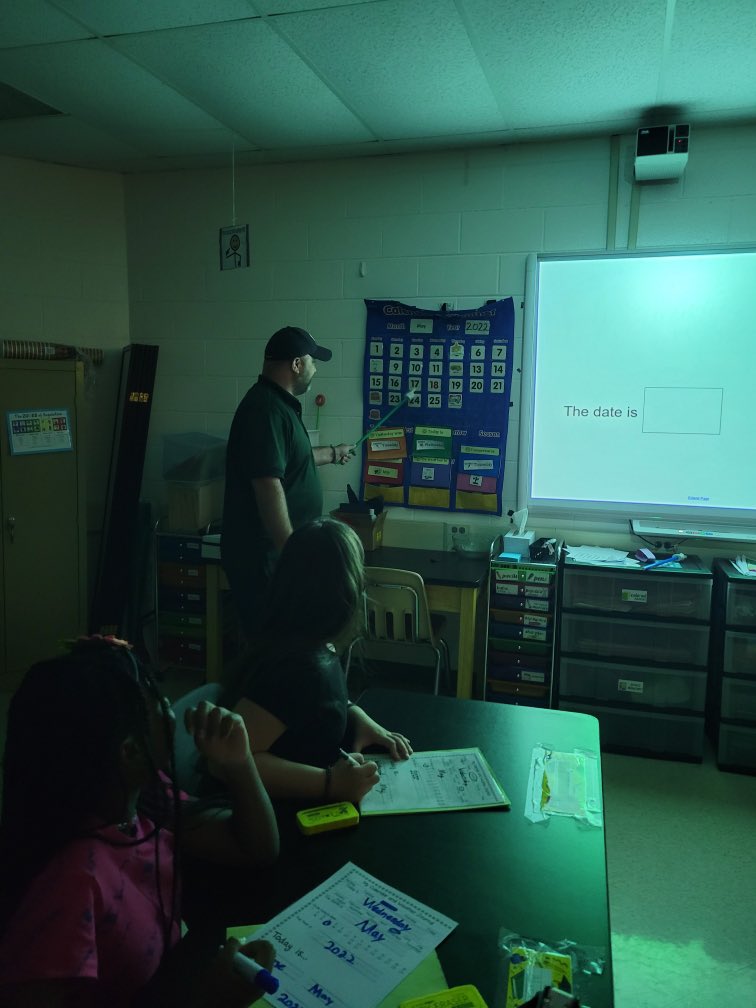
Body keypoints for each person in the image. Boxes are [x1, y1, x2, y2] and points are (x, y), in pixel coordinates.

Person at [0, 636, 279, 1008]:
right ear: (130, 751)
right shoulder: (70, 885)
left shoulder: (142, 801)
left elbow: (255, 848)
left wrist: (239, 762)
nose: (171, 706)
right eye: (157, 699)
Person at [233, 517, 413, 805]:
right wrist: (329, 783)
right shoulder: (298, 668)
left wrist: (359, 720)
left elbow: (310, 709)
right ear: (346, 592)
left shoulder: (311, 646)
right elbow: (232, 760)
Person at [222, 325, 354, 640]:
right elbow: (268, 485)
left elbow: (294, 458)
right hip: (266, 560)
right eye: (312, 361)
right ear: (296, 364)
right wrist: (292, 554)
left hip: (276, 557)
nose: (315, 368)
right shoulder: (265, 410)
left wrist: (334, 453)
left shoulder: (277, 406)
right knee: (272, 649)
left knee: (282, 646)